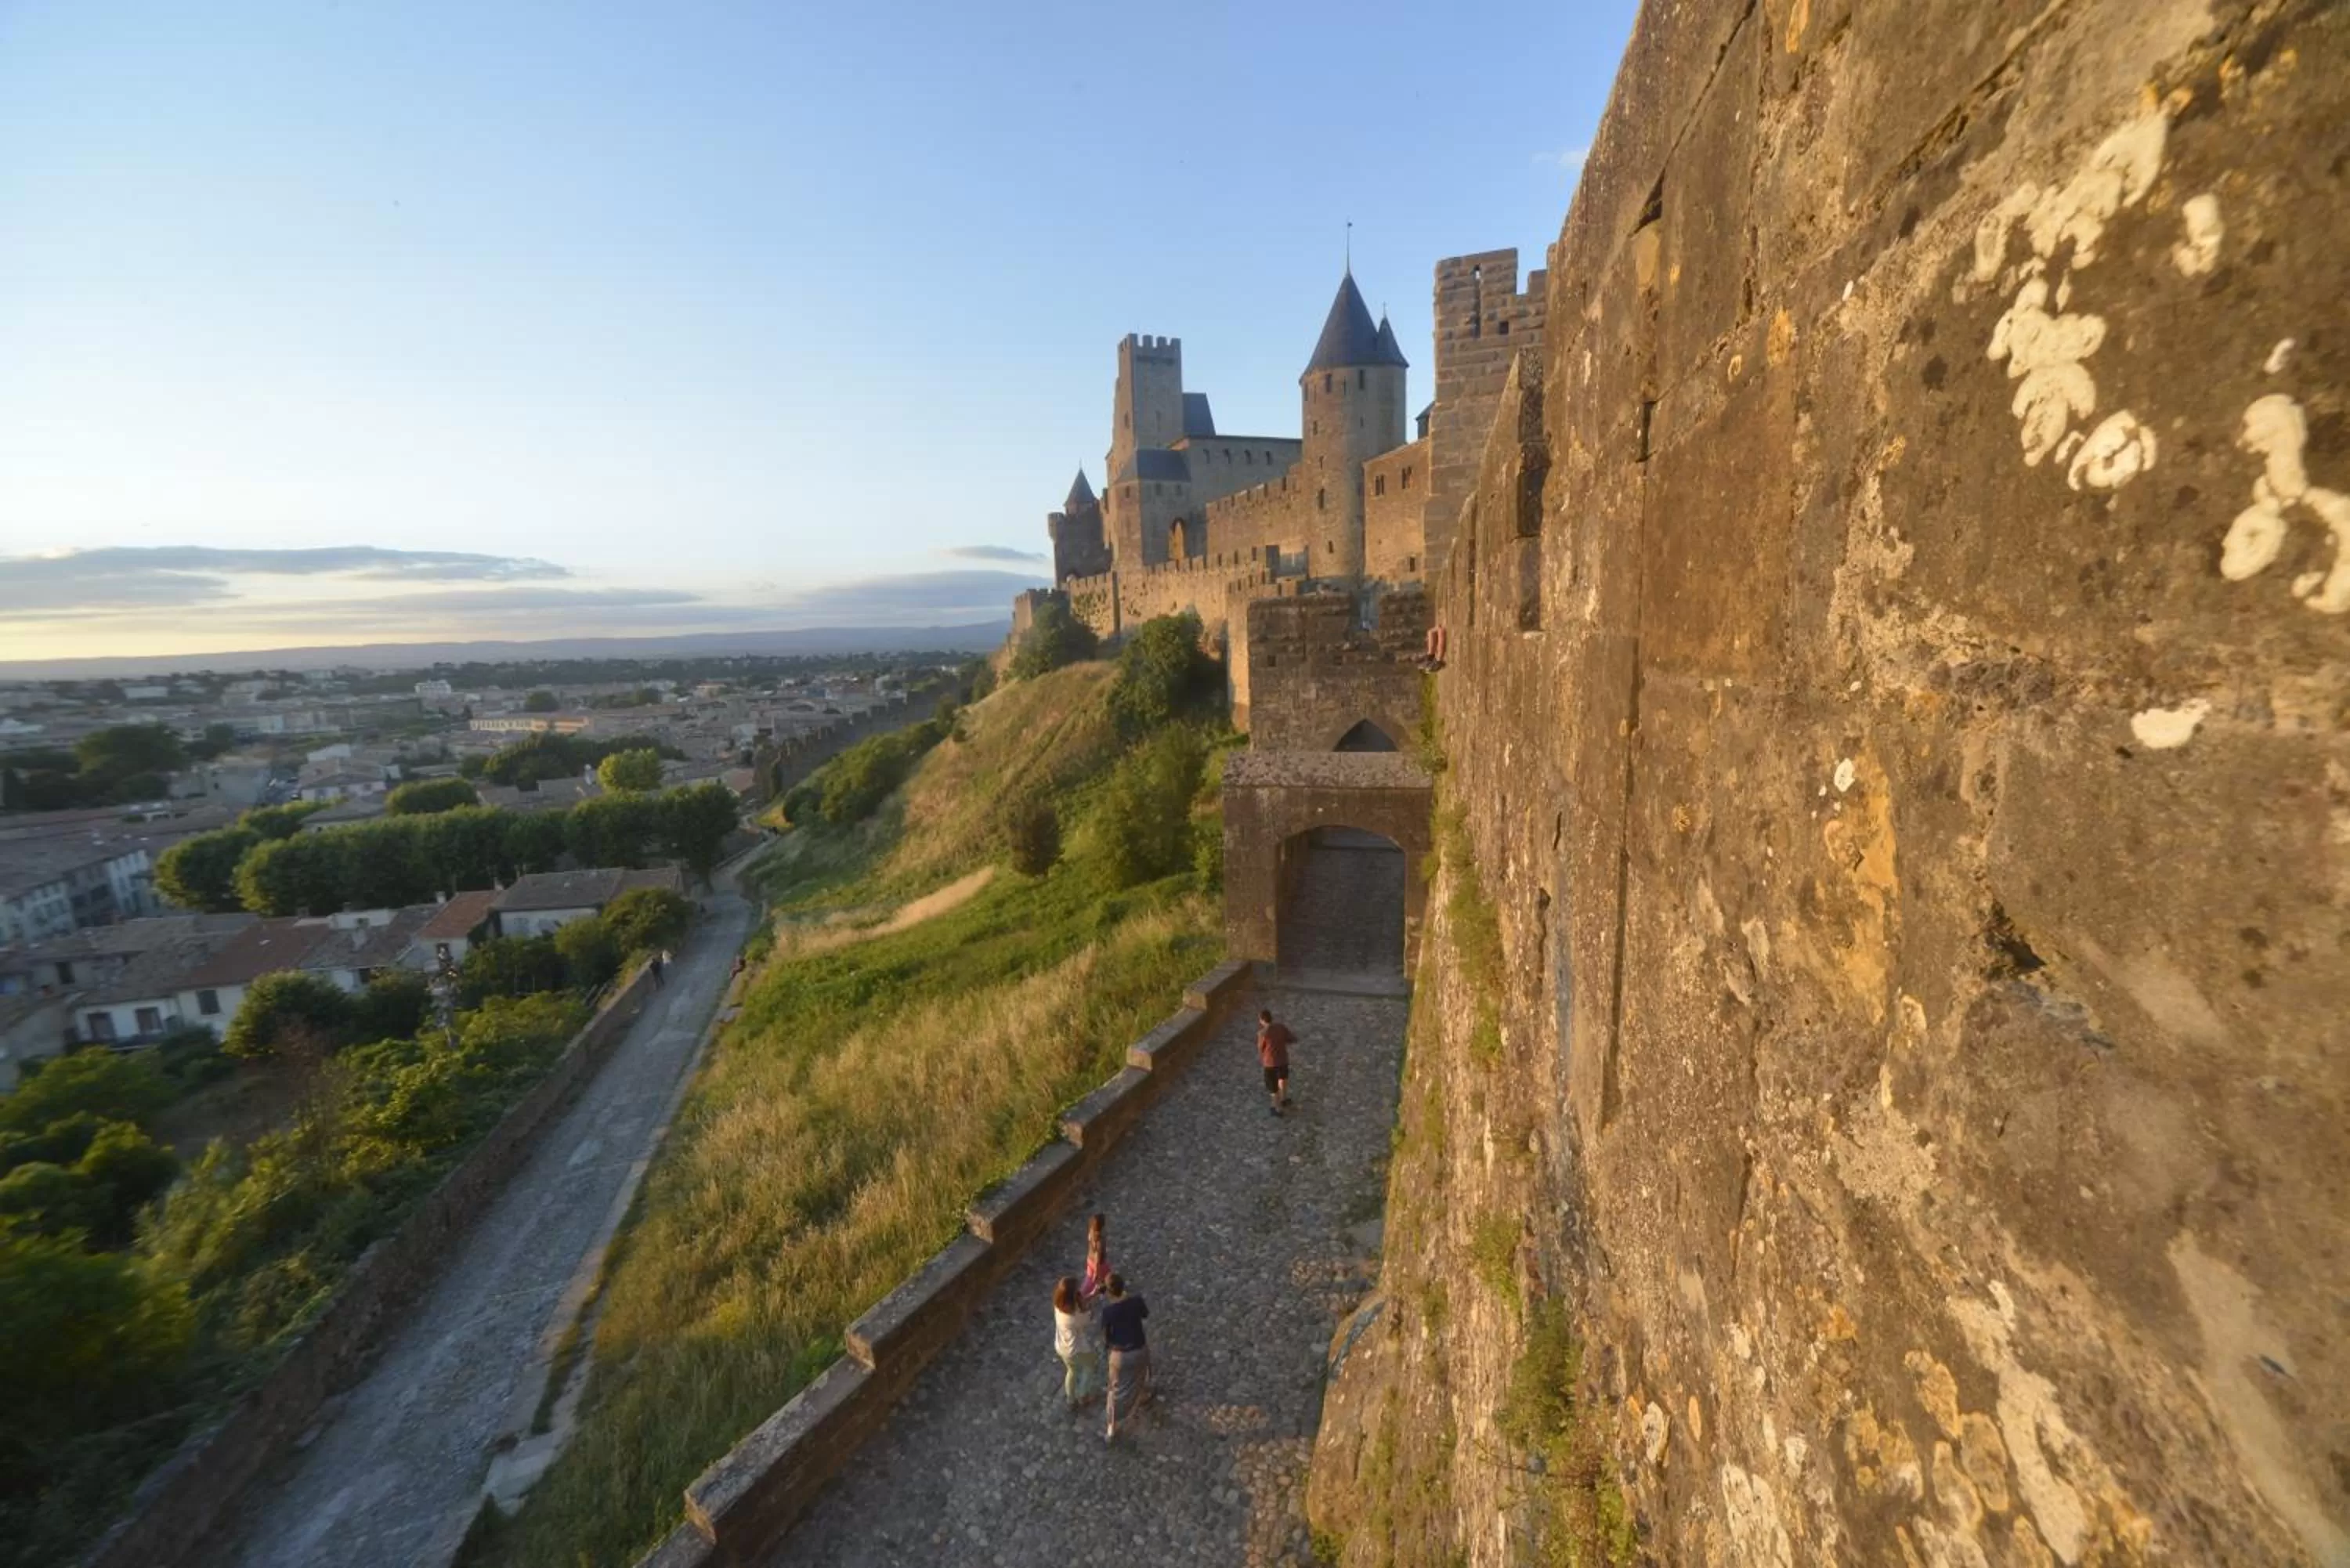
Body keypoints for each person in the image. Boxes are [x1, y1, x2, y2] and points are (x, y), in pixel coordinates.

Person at [1099, 1274, 1150, 1442]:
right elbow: (1145, 1314)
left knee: (1115, 1389)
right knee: (1140, 1375)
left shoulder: (1108, 1312)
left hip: (1120, 1355)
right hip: (1139, 1348)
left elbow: (1106, 1337)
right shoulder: (1136, 1301)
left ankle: (1112, 1426)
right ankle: (1141, 1396)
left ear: (1108, 1292)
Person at [1052, 1275, 1103, 1409]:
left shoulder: (1058, 1306)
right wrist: (1089, 1305)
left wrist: (1092, 1295)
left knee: (1072, 1371)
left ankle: (1070, 1399)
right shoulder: (1075, 1316)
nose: (1080, 1290)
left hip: (1061, 1347)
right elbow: (1088, 1317)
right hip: (1076, 1349)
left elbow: (1078, 1304)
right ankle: (1083, 1395)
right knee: (1090, 1366)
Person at [1257, 1009, 1296, 1116]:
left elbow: (1261, 1048)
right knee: (1283, 1079)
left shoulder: (1262, 1033)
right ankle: (1284, 1099)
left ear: (1262, 1020)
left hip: (1270, 1063)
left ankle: (1277, 1108)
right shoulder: (1281, 1028)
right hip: (1282, 1060)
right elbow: (1292, 1039)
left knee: (1273, 1087)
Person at [1079, 1213, 1110, 1303]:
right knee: (1100, 1279)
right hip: (1099, 1264)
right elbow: (1098, 1256)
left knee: (1089, 1278)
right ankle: (1085, 1294)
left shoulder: (1091, 1232)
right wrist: (1097, 1271)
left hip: (1090, 1259)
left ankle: (1081, 1293)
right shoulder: (1100, 1240)